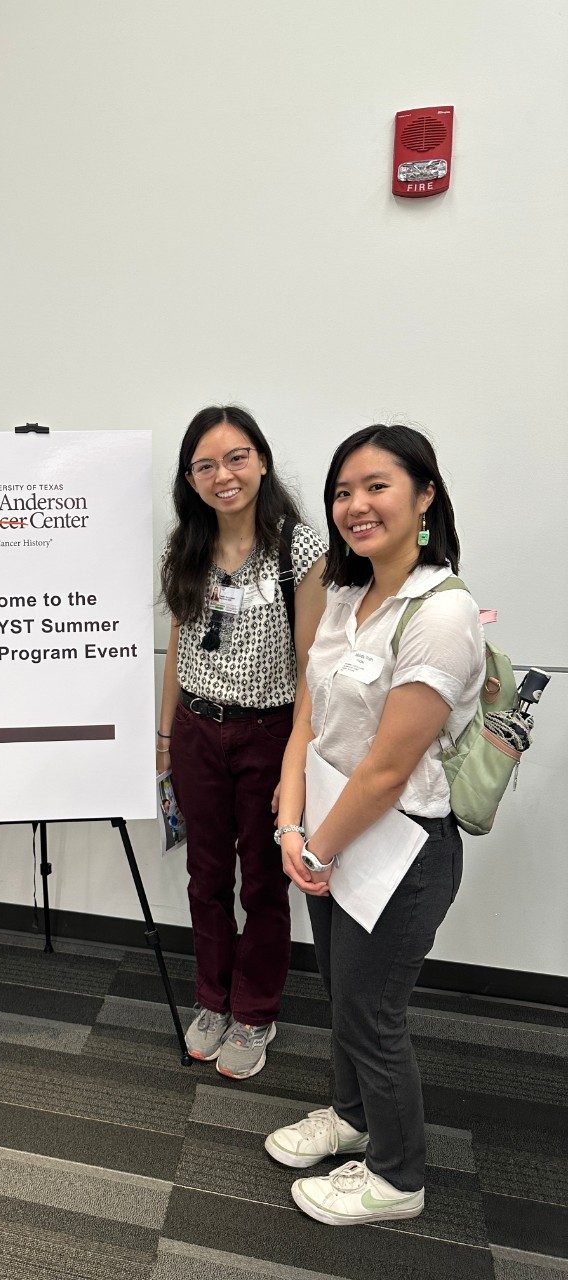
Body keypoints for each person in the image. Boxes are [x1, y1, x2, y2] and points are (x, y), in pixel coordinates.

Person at [267, 424, 485, 1226]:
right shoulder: (346, 595)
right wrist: (292, 828)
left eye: (376, 486)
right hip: (328, 833)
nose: (355, 505)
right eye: (342, 491)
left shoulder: (444, 611)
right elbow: (307, 718)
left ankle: (398, 1175)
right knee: (341, 993)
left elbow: (391, 768)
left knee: (370, 1010)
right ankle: (354, 1118)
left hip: (403, 847)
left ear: (425, 496)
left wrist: (315, 844)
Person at [158, 405, 326, 1078]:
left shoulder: (300, 547)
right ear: (190, 477)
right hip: (198, 730)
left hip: (268, 732)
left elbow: (313, 665)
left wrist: (296, 765)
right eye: (206, 465)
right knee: (204, 876)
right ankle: (212, 1000)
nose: (223, 475)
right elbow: (176, 644)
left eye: (236, 458)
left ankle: (255, 1013)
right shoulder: (187, 546)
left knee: (261, 881)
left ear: (260, 460)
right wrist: (167, 736)